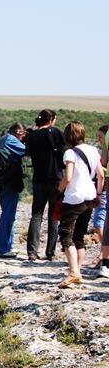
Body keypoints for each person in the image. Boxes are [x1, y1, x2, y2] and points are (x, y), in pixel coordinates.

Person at [57, 121, 105, 288]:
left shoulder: (69, 153)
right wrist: (98, 193)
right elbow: (101, 174)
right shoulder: (93, 150)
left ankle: (74, 272)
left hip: (74, 198)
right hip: (90, 197)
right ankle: (77, 270)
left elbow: (68, 177)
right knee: (79, 236)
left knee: (65, 235)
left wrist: (60, 188)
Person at [24, 109, 66, 262]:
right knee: (53, 216)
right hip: (55, 178)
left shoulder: (32, 136)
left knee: (36, 215)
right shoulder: (56, 133)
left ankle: (32, 251)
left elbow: (28, 153)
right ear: (51, 120)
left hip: (38, 178)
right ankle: (50, 252)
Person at [0, 123, 27, 258]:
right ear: (19, 132)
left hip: (1, 181)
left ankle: (6, 246)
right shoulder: (11, 140)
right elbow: (26, 150)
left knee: (7, 214)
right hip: (9, 182)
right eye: (24, 134)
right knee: (8, 215)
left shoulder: (2, 139)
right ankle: (2, 248)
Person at [91, 125, 108, 258]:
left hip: (103, 188)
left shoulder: (104, 150)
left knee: (98, 222)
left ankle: (104, 255)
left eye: (101, 136)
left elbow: (102, 169)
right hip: (102, 187)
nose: (99, 139)